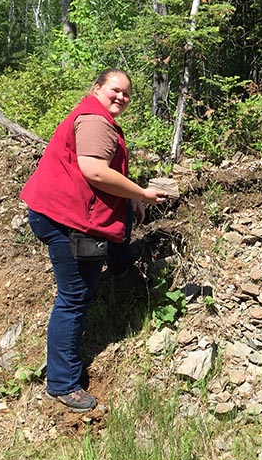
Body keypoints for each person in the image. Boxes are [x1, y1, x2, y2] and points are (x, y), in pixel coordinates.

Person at [21, 69, 168, 412]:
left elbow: (104, 168)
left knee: (124, 215)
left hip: (62, 210)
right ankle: (62, 383)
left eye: (127, 93)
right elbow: (95, 171)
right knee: (74, 297)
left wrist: (130, 197)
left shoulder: (93, 114)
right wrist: (142, 194)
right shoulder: (95, 121)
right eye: (115, 90)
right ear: (97, 88)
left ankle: (120, 267)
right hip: (65, 220)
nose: (121, 97)